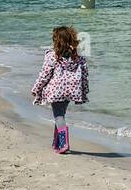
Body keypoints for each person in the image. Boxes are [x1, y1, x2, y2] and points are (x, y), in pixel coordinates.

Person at [31, 25, 89, 153]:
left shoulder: (52, 56)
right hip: (71, 91)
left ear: (56, 41)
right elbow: (84, 75)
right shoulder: (78, 58)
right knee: (60, 116)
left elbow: (44, 74)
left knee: (58, 117)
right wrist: (84, 91)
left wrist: (36, 88)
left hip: (56, 91)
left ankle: (63, 144)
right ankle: (56, 142)